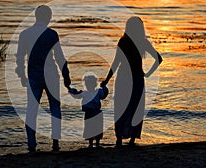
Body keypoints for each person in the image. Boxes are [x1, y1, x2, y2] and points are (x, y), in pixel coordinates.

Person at [15, 5, 71, 152]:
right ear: (48, 17)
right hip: (51, 75)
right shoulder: (52, 34)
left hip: (34, 76)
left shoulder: (25, 34)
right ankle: (55, 142)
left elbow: (20, 57)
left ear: (36, 16)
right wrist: (66, 76)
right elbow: (59, 57)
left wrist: (21, 75)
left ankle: (32, 144)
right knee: (55, 108)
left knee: (31, 110)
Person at [101, 16, 163, 147]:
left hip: (124, 77)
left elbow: (116, 62)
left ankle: (118, 138)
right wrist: (148, 74)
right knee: (136, 109)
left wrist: (106, 80)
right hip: (137, 78)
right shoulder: (143, 41)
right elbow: (159, 58)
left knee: (120, 108)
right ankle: (132, 140)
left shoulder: (123, 41)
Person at [69, 73, 108, 148]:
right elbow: (104, 95)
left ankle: (93, 143)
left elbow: (75, 94)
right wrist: (104, 86)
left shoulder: (87, 93)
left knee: (91, 128)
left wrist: (69, 88)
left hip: (91, 113)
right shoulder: (95, 92)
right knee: (96, 128)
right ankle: (95, 143)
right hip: (95, 112)